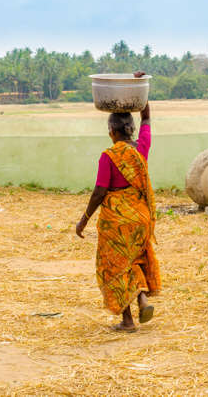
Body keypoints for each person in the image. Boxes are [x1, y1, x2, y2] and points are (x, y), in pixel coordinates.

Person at [76, 71, 161, 332]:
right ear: (131, 129)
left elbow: (99, 192)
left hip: (118, 222)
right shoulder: (141, 149)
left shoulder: (109, 156)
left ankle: (127, 321)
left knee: (114, 267)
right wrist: (139, 88)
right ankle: (143, 299)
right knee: (134, 260)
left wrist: (84, 219)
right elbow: (146, 116)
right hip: (141, 219)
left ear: (111, 131)